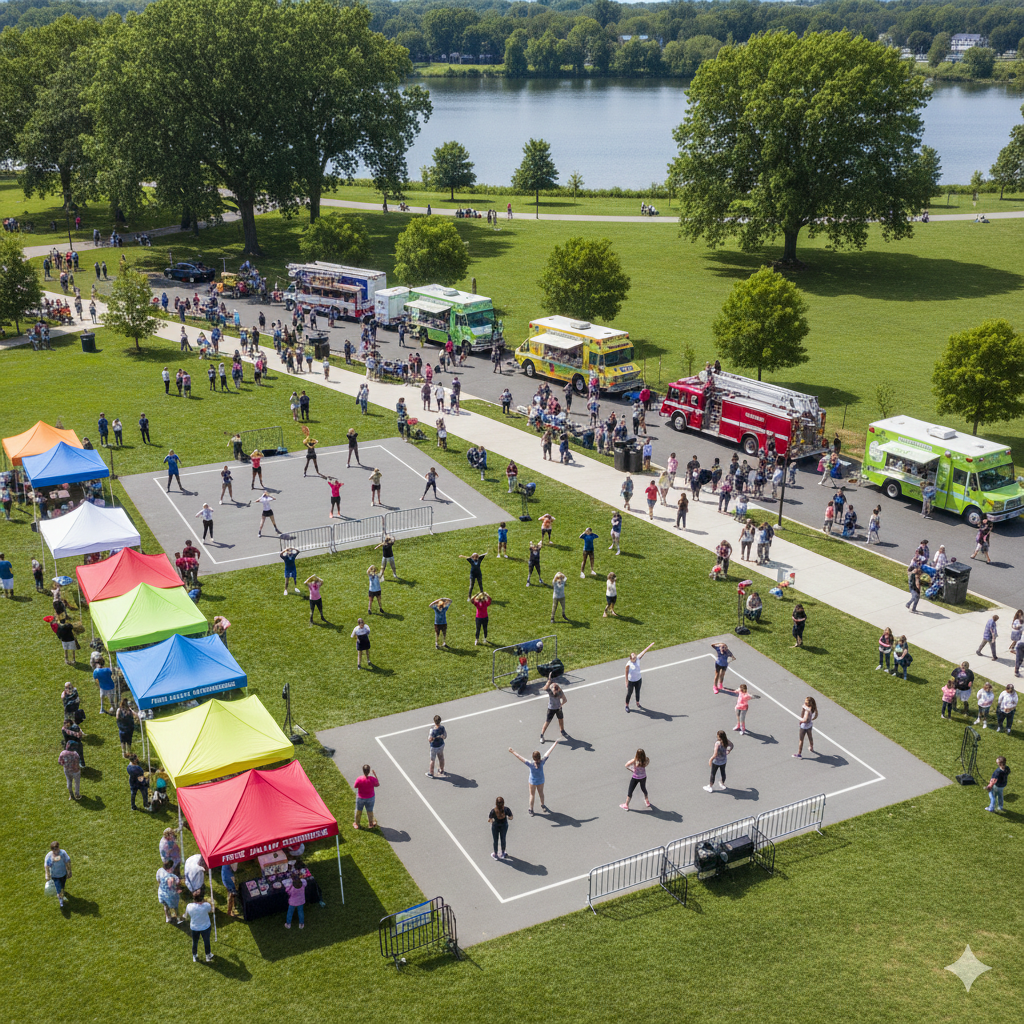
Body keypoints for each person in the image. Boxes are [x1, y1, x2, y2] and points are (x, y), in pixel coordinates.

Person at [508, 740, 559, 815]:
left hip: (532, 781)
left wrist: (512, 751)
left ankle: (531, 809)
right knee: (541, 793)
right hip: (541, 780)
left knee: (532, 795)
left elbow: (520, 757)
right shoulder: (542, 761)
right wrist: (555, 743)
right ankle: (543, 805)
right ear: (539, 757)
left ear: (533, 758)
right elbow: (548, 752)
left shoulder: (530, 764)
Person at [184, 887, 215, 961]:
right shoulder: (206, 905)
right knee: (206, 941)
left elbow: (185, 915)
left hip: (194, 927)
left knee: (195, 942)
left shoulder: (189, 906)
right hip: (205, 927)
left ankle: (194, 955)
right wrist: (212, 904)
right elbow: (211, 910)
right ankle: (208, 955)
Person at [624, 643, 655, 712]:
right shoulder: (628, 664)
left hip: (638, 680)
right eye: (633, 658)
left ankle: (637, 702)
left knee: (638, 692)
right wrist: (626, 682)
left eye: (634, 656)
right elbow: (626, 673)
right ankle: (627, 705)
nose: (634, 658)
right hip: (631, 681)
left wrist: (649, 646)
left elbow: (643, 652)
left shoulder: (638, 659)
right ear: (630, 658)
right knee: (629, 693)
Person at [44, 841, 72, 909]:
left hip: (63, 874)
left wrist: (69, 871)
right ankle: (61, 901)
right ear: (51, 849)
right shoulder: (50, 856)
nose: (55, 850)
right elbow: (47, 866)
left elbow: (67, 861)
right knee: (58, 890)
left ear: (59, 847)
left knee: (62, 886)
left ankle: (61, 892)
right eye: (53, 849)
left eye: (56, 848)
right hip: (55, 876)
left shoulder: (63, 853)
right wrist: (47, 874)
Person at [540, 676, 568, 741]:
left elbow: (565, 699)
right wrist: (561, 705)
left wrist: (561, 705)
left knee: (558, 720)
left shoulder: (555, 692)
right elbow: (565, 700)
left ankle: (562, 731)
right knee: (550, 721)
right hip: (554, 709)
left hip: (555, 708)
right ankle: (542, 735)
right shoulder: (554, 691)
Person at [157, 860, 181, 924]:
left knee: (165, 906)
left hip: (161, 893)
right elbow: (176, 884)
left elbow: (158, 880)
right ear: (170, 867)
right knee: (174, 907)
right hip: (170, 896)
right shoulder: (172, 876)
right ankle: (177, 918)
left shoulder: (159, 871)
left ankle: (167, 917)